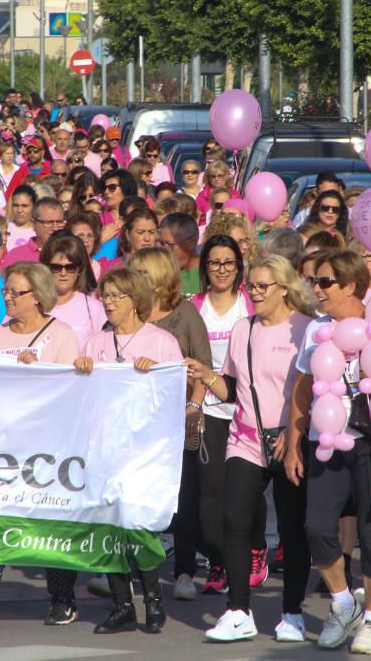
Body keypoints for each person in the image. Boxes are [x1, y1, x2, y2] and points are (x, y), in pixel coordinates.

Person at [286, 249, 371, 654]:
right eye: (314, 281)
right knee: (316, 527)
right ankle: (344, 603)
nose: (316, 289)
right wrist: (294, 440)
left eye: (325, 282)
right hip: (326, 440)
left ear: (350, 286)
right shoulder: (316, 329)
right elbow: (302, 386)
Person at [185, 255, 317, 643]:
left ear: (284, 288)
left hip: (290, 437)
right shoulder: (243, 329)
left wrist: (294, 434)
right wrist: (207, 376)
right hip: (245, 436)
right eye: (252, 286)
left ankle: (292, 613)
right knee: (234, 519)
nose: (254, 293)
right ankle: (238, 610)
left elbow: (309, 390)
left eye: (262, 286)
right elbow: (231, 390)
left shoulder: (305, 328)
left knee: (292, 530)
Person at [0, 262, 80, 632]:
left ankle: (63, 600)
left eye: (15, 292)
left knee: (50, 524)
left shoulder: (62, 335)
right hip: (5, 448)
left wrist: (41, 370)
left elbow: (73, 390)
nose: (8, 297)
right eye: (5, 291)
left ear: (38, 295)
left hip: (48, 447)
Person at [76, 268, 182, 634]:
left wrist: (155, 375)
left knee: (136, 524)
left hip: (143, 451)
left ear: (136, 300)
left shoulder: (161, 341)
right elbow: (80, 397)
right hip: (103, 447)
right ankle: (122, 605)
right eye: (105, 295)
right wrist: (81, 372)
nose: (109, 302)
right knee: (109, 526)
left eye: (117, 296)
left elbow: (173, 396)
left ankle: (153, 598)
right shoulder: (94, 343)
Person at [125, 248, 212, 602]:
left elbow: (203, 366)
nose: (137, 280)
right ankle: (131, 570)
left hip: (180, 420)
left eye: (142, 273)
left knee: (184, 496)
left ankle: (185, 571)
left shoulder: (185, 314)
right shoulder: (130, 315)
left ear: (159, 277)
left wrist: (193, 408)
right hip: (137, 425)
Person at [189, 236, 252, 595]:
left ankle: (251, 549)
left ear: (238, 268)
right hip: (210, 408)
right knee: (210, 493)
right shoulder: (196, 306)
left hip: (246, 409)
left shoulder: (249, 306)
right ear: (205, 268)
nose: (222, 269)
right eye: (215, 262)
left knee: (244, 491)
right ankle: (217, 561)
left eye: (229, 262)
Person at [40, 233, 106, 349]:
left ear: (79, 270)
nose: (63, 273)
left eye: (70, 268)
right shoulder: (33, 304)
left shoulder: (94, 309)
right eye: (56, 267)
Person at [2, 197, 68, 266]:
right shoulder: (16, 257)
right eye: (48, 222)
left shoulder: (72, 252)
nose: (55, 228)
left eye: (59, 222)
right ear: (33, 224)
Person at [159, 213, 202, 297]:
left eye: (170, 245)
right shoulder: (161, 275)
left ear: (191, 242)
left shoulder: (212, 273)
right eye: (162, 244)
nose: (165, 251)